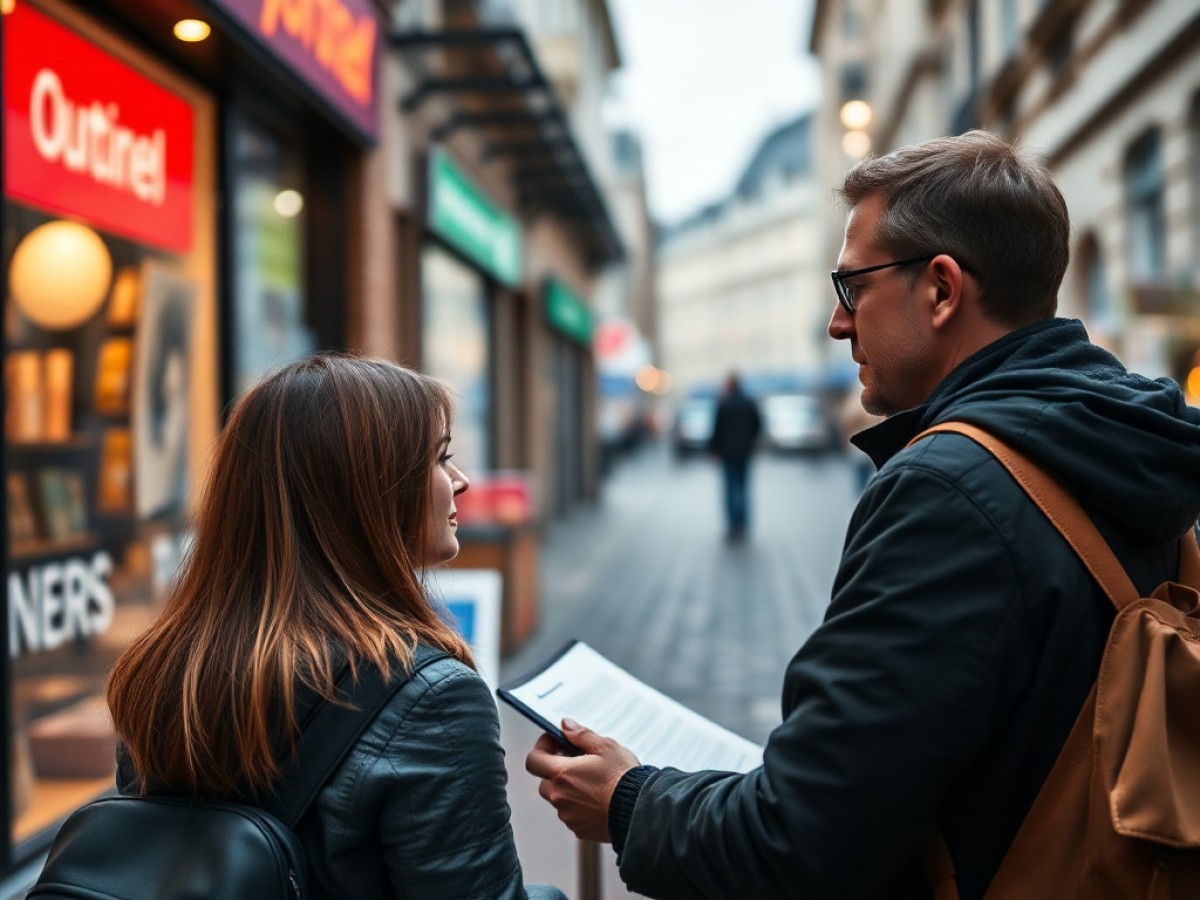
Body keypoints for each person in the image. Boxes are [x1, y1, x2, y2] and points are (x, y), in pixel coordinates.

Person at [525, 130, 1200, 899]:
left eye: (854, 289)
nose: (837, 324)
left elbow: (802, 841)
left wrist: (628, 801)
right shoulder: (1131, 443)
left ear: (942, 290)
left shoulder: (952, 490)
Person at [107, 354, 565, 900]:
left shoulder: (166, 667)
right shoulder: (433, 698)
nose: (461, 482)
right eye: (440, 460)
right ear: (369, 493)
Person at [708, 372, 762, 540]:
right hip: (745, 452)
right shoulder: (749, 403)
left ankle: (733, 525)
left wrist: (713, 449)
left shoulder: (723, 404)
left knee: (730, 489)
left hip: (728, 453)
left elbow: (716, 429)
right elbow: (758, 425)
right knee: (744, 488)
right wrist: (752, 442)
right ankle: (743, 523)